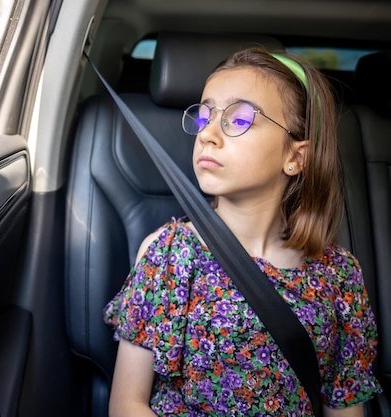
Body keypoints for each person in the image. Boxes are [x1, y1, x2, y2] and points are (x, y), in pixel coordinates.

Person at [103, 47, 382, 417]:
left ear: (295, 157)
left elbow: (345, 408)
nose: (208, 135)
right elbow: (127, 404)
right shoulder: (169, 254)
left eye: (239, 120)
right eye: (204, 117)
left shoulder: (339, 276)